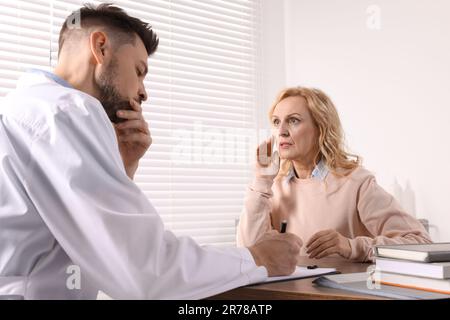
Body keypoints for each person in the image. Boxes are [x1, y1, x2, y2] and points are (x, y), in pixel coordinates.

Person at [0, 4, 302, 299]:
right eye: (139, 71)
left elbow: (83, 235)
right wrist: (258, 258)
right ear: (101, 47)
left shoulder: (27, 108)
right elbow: (144, 271)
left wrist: (123, 166)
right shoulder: (68, 111)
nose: (144, 92)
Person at [237, 87, 432, 262]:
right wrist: (261, 181)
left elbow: (420, 243)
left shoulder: (356, 183)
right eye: (276, 122)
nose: (281, 131)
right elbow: (250, 252)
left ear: (320, 128)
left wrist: (350, 246)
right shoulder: (271, 187)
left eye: (293, 120)